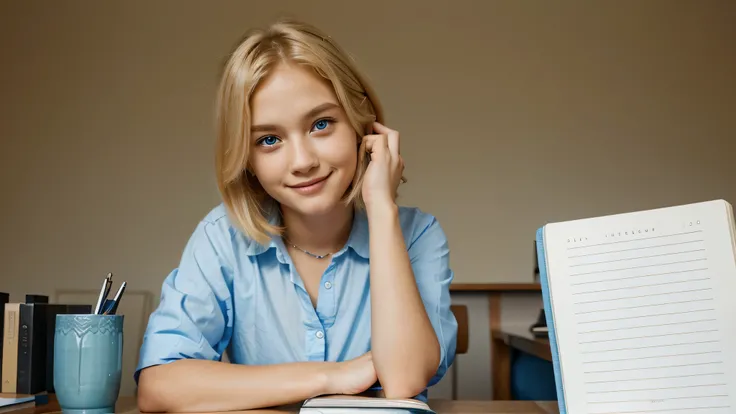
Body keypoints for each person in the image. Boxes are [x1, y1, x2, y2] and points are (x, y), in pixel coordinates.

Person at [135, 18, 458, 413]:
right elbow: (159, 388)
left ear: (361, 126)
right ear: (247, 158)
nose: (302, 162)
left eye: (321, 124)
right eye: (269, 140)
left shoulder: (416, 234)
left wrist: (381, 207)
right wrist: (330, 376)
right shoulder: (223, 237)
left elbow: (404, 378)